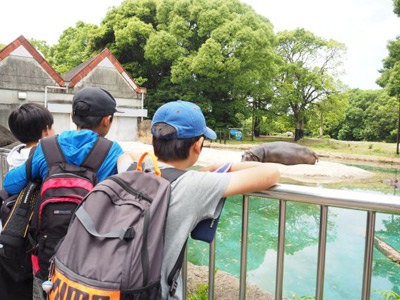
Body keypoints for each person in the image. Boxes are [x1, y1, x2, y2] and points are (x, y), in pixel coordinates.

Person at [118, 100, 280, 300]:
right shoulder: (194, 184)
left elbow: (124, 155)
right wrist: (218, 167)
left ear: (154, 140)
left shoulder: (129, 171)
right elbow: (270, 173)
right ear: (197, 145)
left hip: (111, 285)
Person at [3, 87, 124, 300]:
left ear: (72, 116)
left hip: (46, 252)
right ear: (107, 120)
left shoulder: (47, 147)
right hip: (91, 257)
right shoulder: (112, 152)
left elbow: (11, 184)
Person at [0, 103, 54, 300]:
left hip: (8, 241)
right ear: (46, 130)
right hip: (30, 244)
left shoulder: (13, 157)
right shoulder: (46, 159)